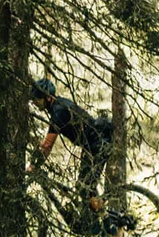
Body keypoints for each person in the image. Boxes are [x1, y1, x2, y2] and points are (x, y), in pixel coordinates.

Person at [27, 78, 115, 223]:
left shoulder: (58, 112)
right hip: (92, 146)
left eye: (37, 99)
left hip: (98, 145)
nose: (35, 102)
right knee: (84, 187)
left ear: (47, 97)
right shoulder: (60, 105)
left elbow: (47, 145)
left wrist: (34, 165)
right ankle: (96, 219)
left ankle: (107, 222)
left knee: (85, 187)